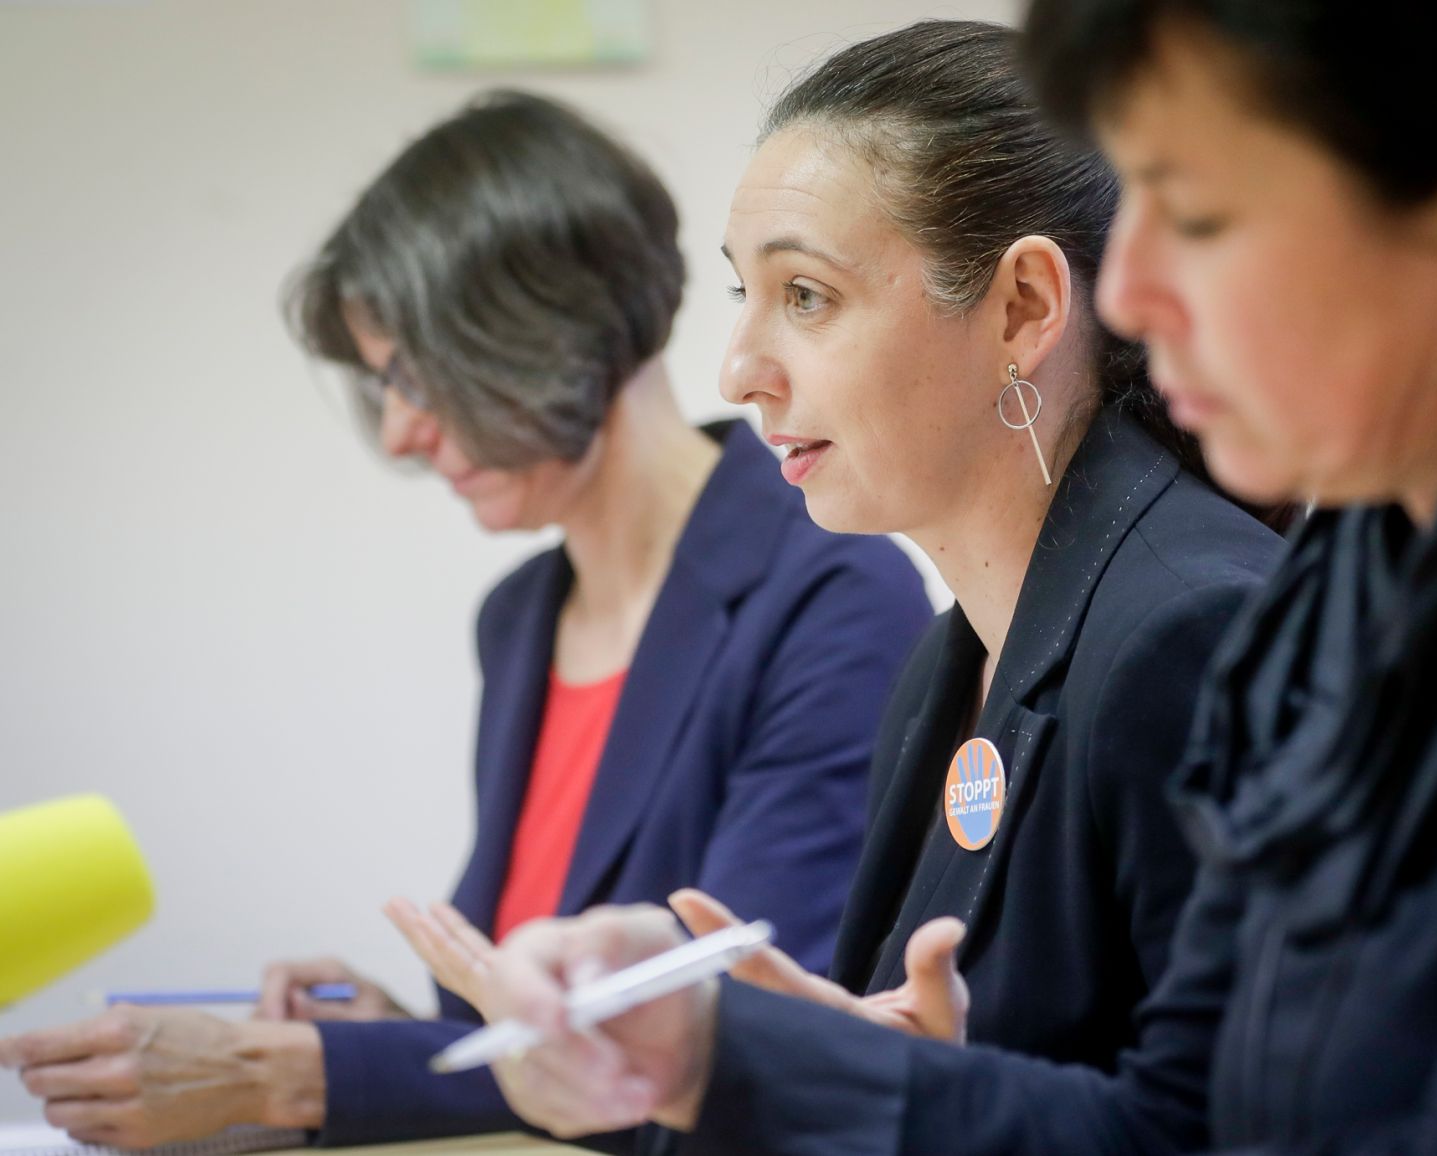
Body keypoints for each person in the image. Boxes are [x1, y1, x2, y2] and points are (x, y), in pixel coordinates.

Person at [457, 0, 1437, 1151]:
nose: (1126, 292)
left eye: (1195, 214)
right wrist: (715, 1050)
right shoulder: (1358, 554)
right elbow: (1180, 1118)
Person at [0, 90, 930, 1148]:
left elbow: (721, 1036)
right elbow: (521, 1037)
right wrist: (394, 1031)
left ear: (548, 329)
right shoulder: (521, 618)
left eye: (413, 373)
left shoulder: (831, 592)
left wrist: (292, 1076)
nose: (399, 431)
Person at [398, 17, 1282, 1090]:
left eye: (805, 297)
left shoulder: (1195, 630)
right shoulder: (941, 670)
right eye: (744, 295)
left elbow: (1232, 1124)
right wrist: (809, 1056)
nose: (737, 371)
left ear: (1023, 309)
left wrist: (855, 1089)